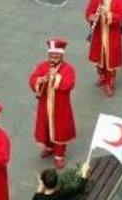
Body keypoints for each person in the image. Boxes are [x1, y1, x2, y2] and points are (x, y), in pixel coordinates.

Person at [29, 38, 77, 169]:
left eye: (56, 56)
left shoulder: (68, 69)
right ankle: (49, 147)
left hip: (61, 107)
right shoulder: (43, 66)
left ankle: (59, 156)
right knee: (46, 127)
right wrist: (40, 80)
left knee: (60, 130)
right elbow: (32, 78)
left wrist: (56, 78)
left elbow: (69, 84)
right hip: (45, 105)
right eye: (51, 56)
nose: (53, 59)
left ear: (62, 56)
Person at [86, 0, 122, 97]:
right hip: (99, 34)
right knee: (99, 60)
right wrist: (91, 17)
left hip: (112, 35)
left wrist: (108, 15)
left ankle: (109, 82)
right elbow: (89, 12)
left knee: (110, 62)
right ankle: (102, 76)